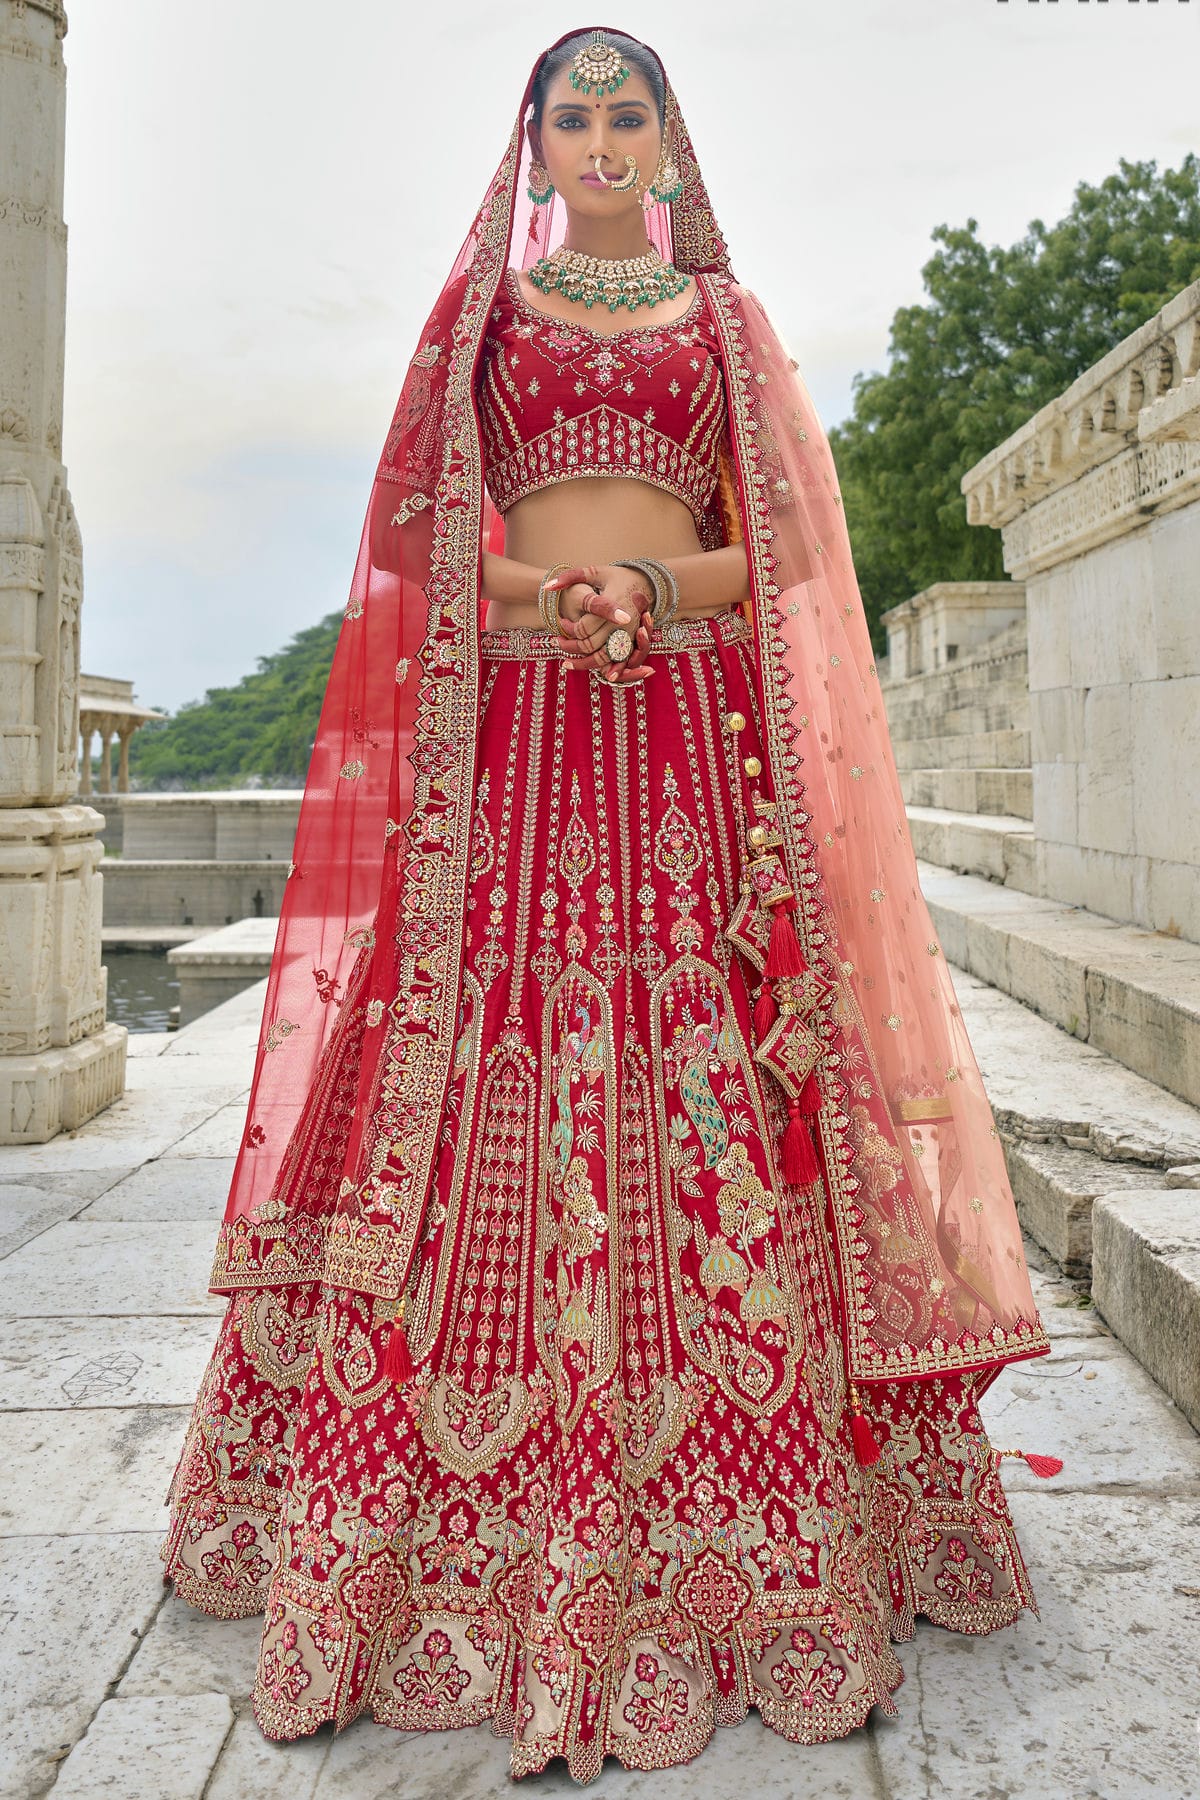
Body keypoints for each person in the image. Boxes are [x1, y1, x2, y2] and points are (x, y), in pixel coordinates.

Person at [160, 26, 1056, 1783]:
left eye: (623, 110)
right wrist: (545, 597)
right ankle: (413, 1552)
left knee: (716, 1065)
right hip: (512, 748)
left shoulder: (724, 327)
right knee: (465, 1069)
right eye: (568, 114)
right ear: (536, 146)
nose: (596, 138)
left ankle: (772, 1550)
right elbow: (416, 541)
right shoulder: (480, 325)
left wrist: (648, 582)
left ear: (668, 140)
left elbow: (790, 547)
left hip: (684, 746)